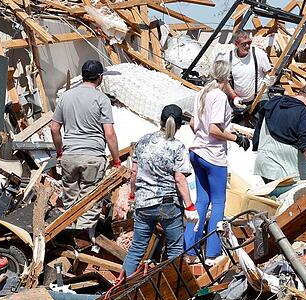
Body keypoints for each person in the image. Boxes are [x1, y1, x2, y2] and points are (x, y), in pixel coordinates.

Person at [122, 104, 198, 276]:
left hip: (143, 203)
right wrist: (190, 206)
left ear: (160, 120)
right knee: (175, 251)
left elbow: (134, 172)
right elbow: (179, 178)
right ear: (179, 126)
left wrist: (133, 195)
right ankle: (175, 291)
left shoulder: (143, 141)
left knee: (136, 250)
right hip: (168, 205)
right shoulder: (177, 147)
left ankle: (120, 288)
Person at [186, 59, 250, 258]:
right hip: (213, 156)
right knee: (219, 202)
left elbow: (192, 123)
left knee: (201, 200)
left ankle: (190, 247)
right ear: (227, 76)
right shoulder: (219, 97)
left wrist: (202, 135)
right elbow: (214, 130)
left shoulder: (202, 93)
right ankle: (213, 250)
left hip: (197, 151)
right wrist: (237, 138)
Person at [49, 60, 122, 232]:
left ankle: (70, 240)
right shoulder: (101, 99)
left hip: (69, 156)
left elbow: (54, 128)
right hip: (93, 157)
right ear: (99, 77)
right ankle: (82, 243)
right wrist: (117, 159)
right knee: (89, 202)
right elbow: (109, 133)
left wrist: (60, 151)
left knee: (70, 202)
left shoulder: (66, 96)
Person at [253, 83, 306, 194]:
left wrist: (255, 146)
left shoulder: (273, 102)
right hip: (285, 172)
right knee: (286, 204)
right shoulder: (303, 113)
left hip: (264, 163)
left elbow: (258, 127)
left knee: (272, 200)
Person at [218, 31, 271, 108]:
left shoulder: (258, 54)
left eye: (249, 43)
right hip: (238, 99)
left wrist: (269, 80)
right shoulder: (228, 58)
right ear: (236, 44)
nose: (247, 46)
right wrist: (234, 97)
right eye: (244, 44)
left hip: (258, 98)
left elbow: (268, 73)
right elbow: (225, 81)